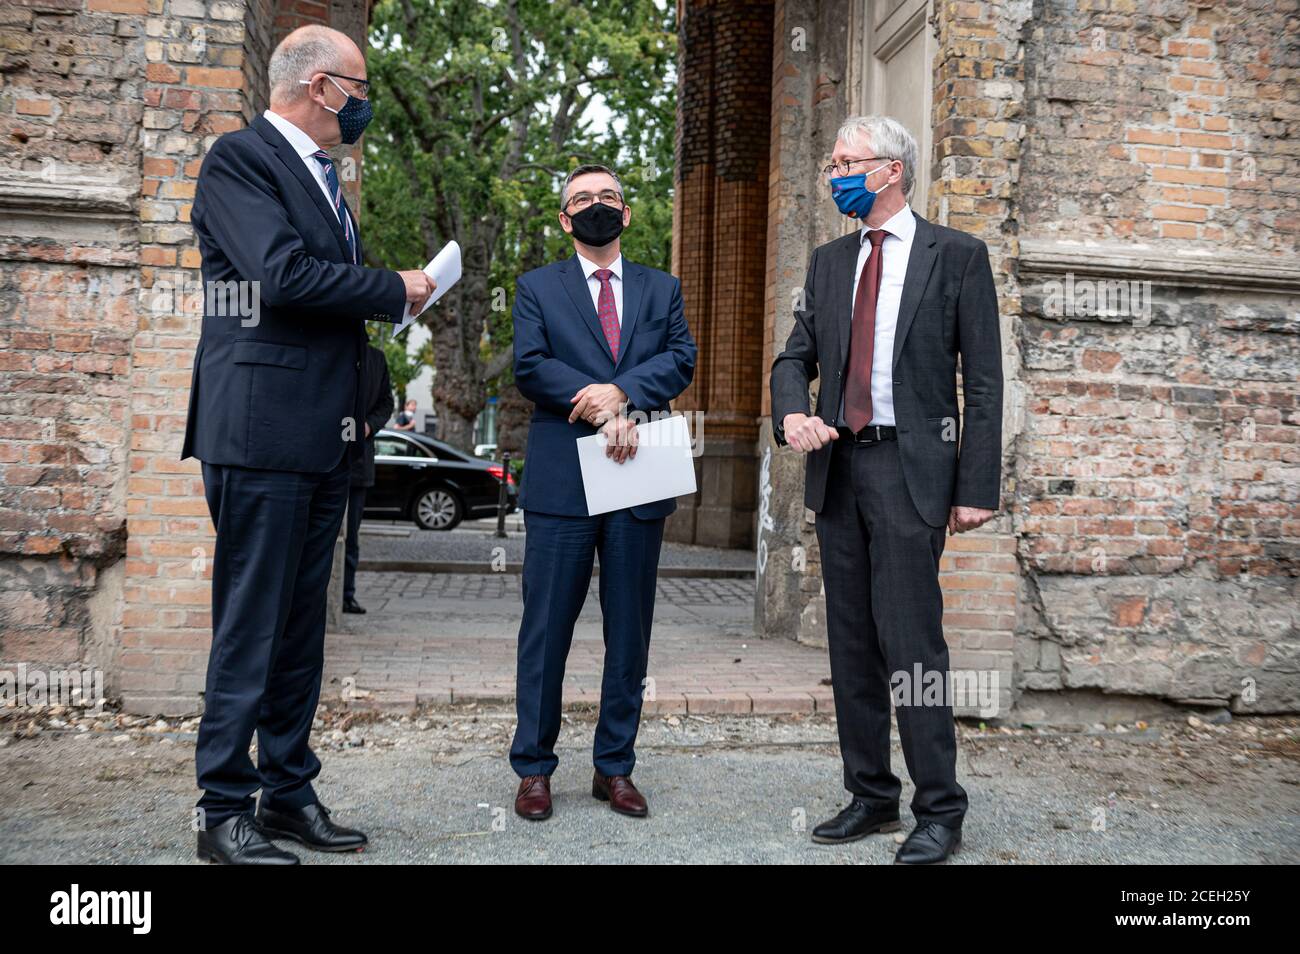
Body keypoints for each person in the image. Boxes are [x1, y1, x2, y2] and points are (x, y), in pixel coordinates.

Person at [183, 24, 435, 865]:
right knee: (250, 626)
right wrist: (394, 289)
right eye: (357, 89)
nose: (362, 105)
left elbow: (320, 296)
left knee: (298, 630)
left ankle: (287, 789)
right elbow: (281, 276)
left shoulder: (326, 176)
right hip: (260, 430)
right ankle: (222, 809)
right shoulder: (241, 159)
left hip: (325, 436)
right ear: (321, 87)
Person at [770, 115, 1004, 864]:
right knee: (852, 646)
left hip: (913, 472)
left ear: (891, 170)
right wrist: (792, 413)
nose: (833, 170)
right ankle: (871, 795)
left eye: (847, 160)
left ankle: (940, 809)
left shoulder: (958, 257)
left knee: (912, 647)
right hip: (840, 470)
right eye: (831, 158)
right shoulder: (829, 262)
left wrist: (976, 485)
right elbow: (793, 357)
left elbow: (987, 383)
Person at [509, 163, 696, 821]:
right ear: (565, 218)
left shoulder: (662, 287)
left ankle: (614, 768)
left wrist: (626, 395)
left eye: (609, 196)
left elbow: (681, 358)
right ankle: (533, 769)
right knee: (546, 631)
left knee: (629, 633)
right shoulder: (536, 287)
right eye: (582, 198)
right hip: (563, 478)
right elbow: (530, 364)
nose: (597, 205)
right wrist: (600, 411)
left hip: (641, 471)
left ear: (627, 212)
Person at [343, 344, 394, 614]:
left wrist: (368, 425)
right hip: (324, 456)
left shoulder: (376, 357)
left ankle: (346, 593)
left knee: (351, 536)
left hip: (359, 462)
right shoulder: (334, 348)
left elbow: (387, 402)